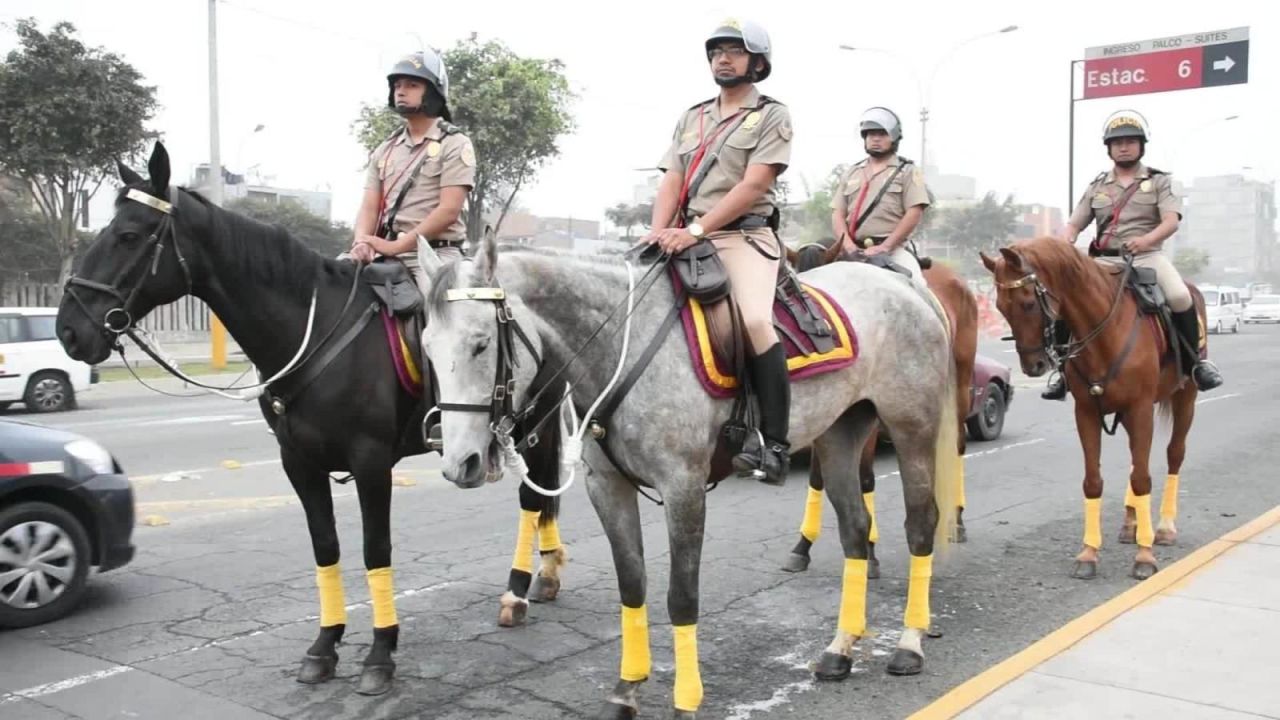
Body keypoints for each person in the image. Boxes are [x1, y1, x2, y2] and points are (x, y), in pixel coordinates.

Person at [644, 18, 794, 485]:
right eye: (716, 52)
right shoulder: (693, 117)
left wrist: (696, 228)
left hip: (742, 238)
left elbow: (754, 186)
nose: (723, 59)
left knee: (751, 320)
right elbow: (672, 178)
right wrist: (657, 230)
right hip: (684, 235)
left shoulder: (772, 114)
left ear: (758, 61)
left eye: (734, 50)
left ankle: (774, 442)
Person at [1044, 109, 1223, 400]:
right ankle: (1063, 372)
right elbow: (1075, 223)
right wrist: (1067, 240)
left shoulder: (1159, 182)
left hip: (1147, 256)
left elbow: (1171, 221)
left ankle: (1194, 365)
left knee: (1179, 296)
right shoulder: (1098, 186)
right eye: (1117, 143)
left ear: (1141, 146)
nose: (1123, 147)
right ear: (1109, 149)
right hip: (1104, 260)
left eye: (1129, 141)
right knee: (1068, 301)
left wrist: (1147, 240)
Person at [347, 50, 475, 295]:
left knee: (446, 318)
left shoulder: (455, 143)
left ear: (433, 91)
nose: (401, 91)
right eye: (397, 85)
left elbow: (448, 211)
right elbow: (369, 208)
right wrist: (362, 241)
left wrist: (395, 247)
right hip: (384, 249)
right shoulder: (385, 149)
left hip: (435, 255)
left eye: (412, 85)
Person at [830, 107, 931, 284]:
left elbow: (914, 212)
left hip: (893, 251)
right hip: (852, 250)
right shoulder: (852, 173)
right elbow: (837, 213)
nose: (875, 139)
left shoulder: (907, 171)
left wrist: (885, 247)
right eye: (870, 134)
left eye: (882, 134)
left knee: (918, 285)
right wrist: (847, 245)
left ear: (894, 137)